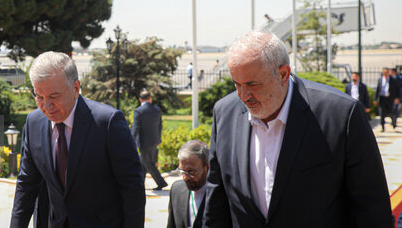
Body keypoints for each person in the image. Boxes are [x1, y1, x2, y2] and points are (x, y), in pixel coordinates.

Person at [204, 31, 391, 228]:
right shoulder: (225, 113)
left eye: (252, 84)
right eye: (237, 84)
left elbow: (372, 207)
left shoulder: (341, 115)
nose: (243, 95)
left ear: (283, 74)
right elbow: (217, 202)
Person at [10, 51, 145, 228]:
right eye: (39, 97)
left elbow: (132, 188)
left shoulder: (107, 122)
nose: (46, 106)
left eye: (53, 96)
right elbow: (26, 185)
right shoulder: (33, 123)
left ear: (75, 88)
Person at [167, 140, 209, 228]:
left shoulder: (221, 194)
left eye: (191, 172)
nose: (186, 177)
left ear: (206, 168)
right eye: (182, 171)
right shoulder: (176, 190)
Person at [132, 89, 167, 191]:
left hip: (144, 141)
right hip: (154, 140)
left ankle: (161, 182)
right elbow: (160, 125)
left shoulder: (139, 111)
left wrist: (131, 140)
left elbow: (136, 127)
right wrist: (159, 138)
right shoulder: (156, 109)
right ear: (150, 99)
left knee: (147, 163)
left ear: (140, 100)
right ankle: (139, 185)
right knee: (143, 163)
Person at [375, 67, 400, 132]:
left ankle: (394, 124)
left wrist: (397, 98)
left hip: (390, 99)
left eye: (387, 72)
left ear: (389, 73)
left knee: (392, 112)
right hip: (382, 98)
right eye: (384, 72)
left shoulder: (393, 80)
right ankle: (382, 127)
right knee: (382, 113)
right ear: (382, 72)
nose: (386, 73)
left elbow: (398, 90)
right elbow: (378, 90)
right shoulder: (380, 79)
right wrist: (375, 99)